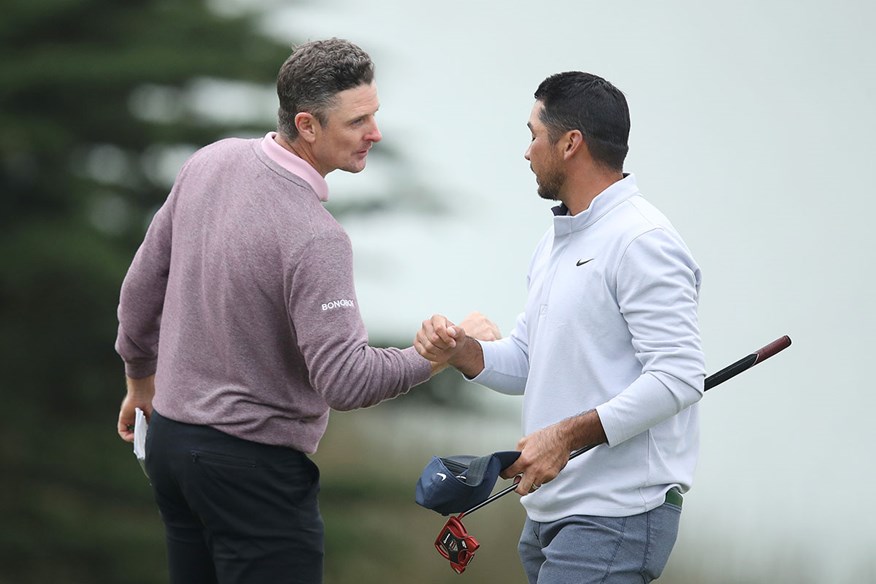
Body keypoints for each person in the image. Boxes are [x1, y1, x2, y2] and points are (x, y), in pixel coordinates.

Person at [114, 37, 496, 584]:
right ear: (308, 125)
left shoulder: (210, 161)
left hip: (174, 449)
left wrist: (138, 381)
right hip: (250, 473)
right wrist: (438, 355)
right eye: (358, 121)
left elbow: (138, 291)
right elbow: (344, 381)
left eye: (376, 115)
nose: (376, 133)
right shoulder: (317, 238)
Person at [415, 71, 705, 583]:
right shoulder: (556, 242)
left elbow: (678, 378)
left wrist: (566, 436)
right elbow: (529, 360)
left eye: (533, 134)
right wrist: (464, 352)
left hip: (616, 515)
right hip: (553, 512)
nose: (526, 152)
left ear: (571, 143)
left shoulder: (643, 241)